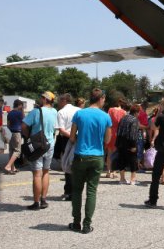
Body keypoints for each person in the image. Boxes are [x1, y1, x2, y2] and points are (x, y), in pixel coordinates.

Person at [69, 88, 112, 233]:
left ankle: (76, 222)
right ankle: (87, 224)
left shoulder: (79, 114)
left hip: (80, 156)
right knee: (91, 191)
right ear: (101, 98)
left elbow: (72, 137)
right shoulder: (105, 117)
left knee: (76, 190)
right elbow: (107, 139)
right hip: (97, 156)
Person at [22, 91, 57, 210]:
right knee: (46, 172)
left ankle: (36, 202)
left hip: (37, 145)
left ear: (44, 99)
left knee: (37, 174)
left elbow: (24, 126)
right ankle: (44, 200)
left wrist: (28, 137)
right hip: (50, 144)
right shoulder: (54, 112)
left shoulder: (36, 112)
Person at [55, 93, 80, 200]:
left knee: (67, 165)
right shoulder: (79, 110)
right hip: (80, 138)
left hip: (67, 139)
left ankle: (69, 192)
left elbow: (61, 129)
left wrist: (72, 137)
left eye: (59, 101)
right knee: (77, 165)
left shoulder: (61, 112)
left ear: (64, 100)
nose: (58, 103)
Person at [116, 103, 141, 185]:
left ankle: (122, 179)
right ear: (136, 112)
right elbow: (133, 134)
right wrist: (133, 145)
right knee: (133, 160)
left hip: (120, 141)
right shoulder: (134, 120)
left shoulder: (123, 118)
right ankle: (133, 179)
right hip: (129, 142)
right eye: (139, 112)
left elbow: (118, 130)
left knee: (121, 160)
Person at [2, 99, 25, 174]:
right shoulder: (20, 113)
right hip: (17, 133)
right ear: (20, 105)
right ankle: (8, 166)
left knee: (11, 150)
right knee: (17, 151)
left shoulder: (10, 113)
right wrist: (23, 111)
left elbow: (8, 124)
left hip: (10, 132)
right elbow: (24, 122)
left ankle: (12, 167)